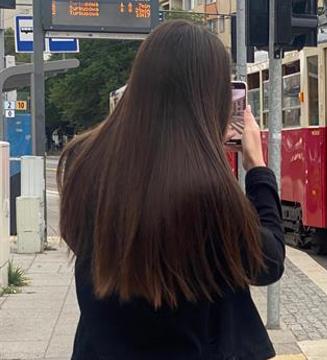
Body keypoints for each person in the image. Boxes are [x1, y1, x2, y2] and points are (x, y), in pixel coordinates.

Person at [57, 21, 285, 360]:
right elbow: (267, 262)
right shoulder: (207, 187)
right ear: (210, 100)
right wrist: (257, 167)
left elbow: (81, 240)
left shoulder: (81, 158)